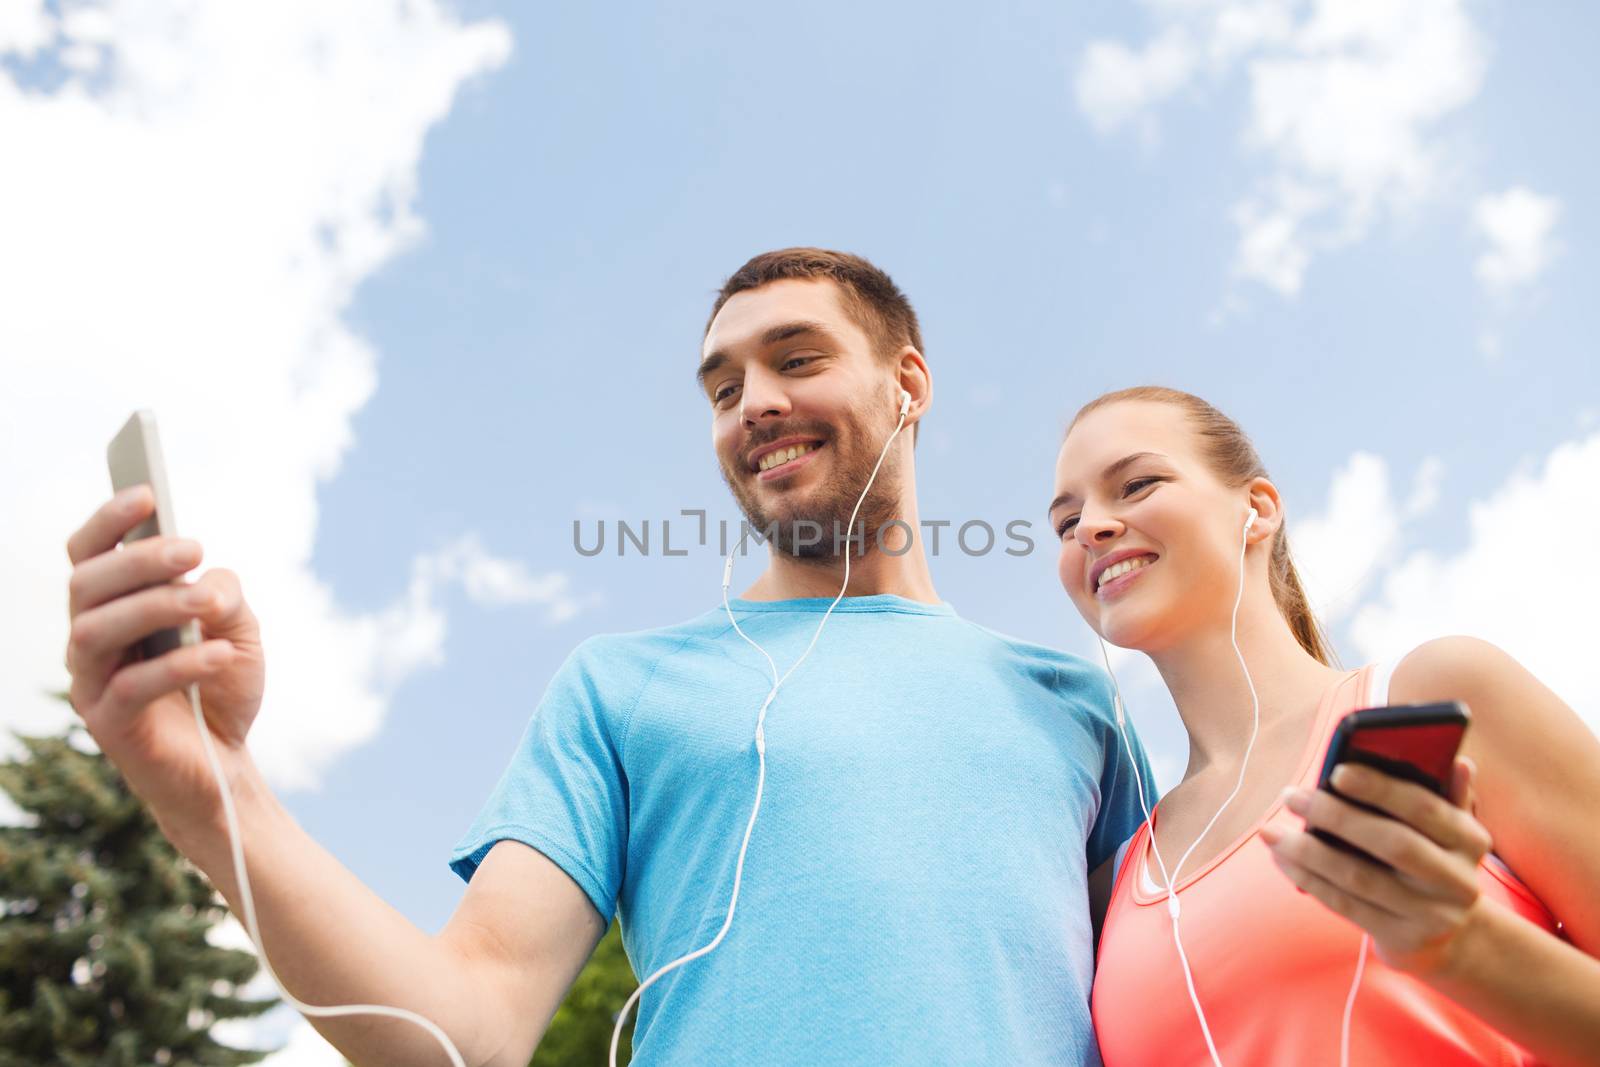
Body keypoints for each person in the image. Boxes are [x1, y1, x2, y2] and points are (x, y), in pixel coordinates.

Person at [64, 248, 1153, 1066]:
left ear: (907, 382)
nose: (754, 403)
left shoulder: (1073, 708)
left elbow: (1169, 1016)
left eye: (797, 358)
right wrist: (218, 795)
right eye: (722, 388)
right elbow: (464, 1030)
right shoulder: (621, 687)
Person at [1046, 386, 1600, 1066]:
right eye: (1066, 522)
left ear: (1257, 509)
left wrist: (1469, 948)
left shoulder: (1443, 693)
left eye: (1136, 484)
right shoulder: (1111, 886)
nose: (1092, 527)